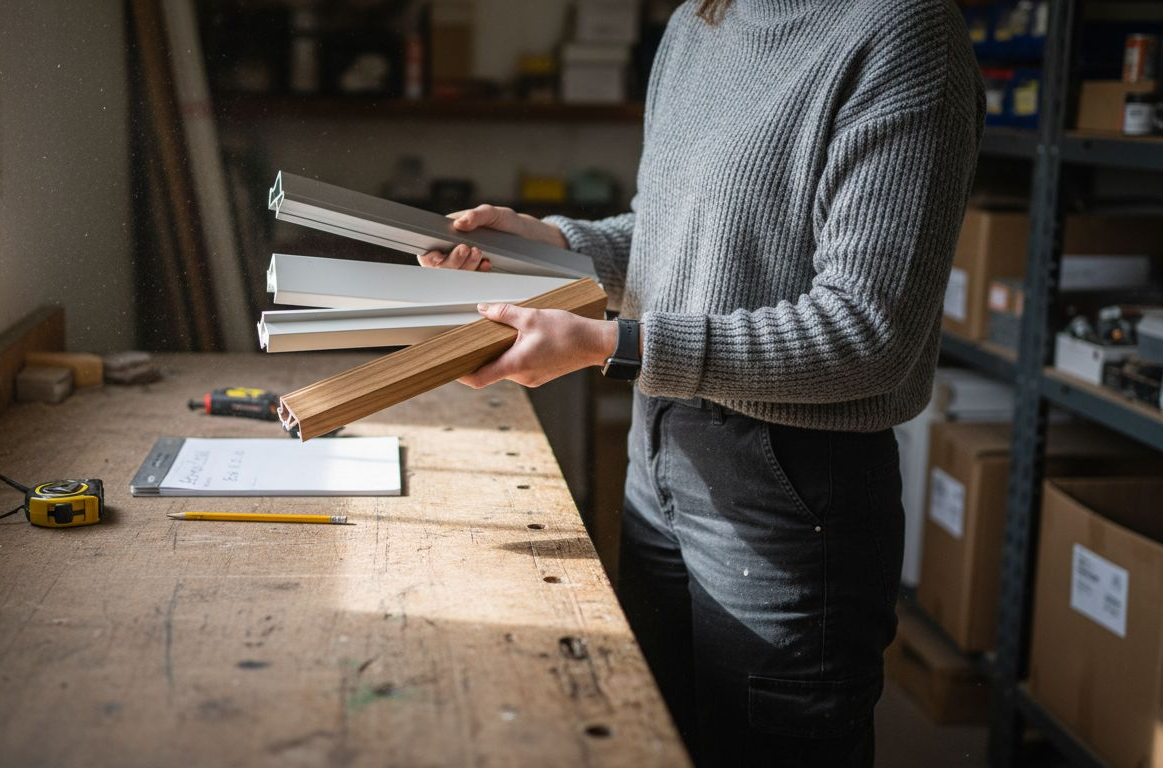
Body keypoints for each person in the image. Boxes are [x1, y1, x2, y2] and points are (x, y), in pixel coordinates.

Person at [419, 0, 983, 764]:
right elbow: (675, 239)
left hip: (790, 485)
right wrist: (551, 246)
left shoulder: (899, 31)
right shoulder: (700, 23)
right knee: (657, 736)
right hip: (660, 453)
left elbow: (867, 333)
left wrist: (608, 345)